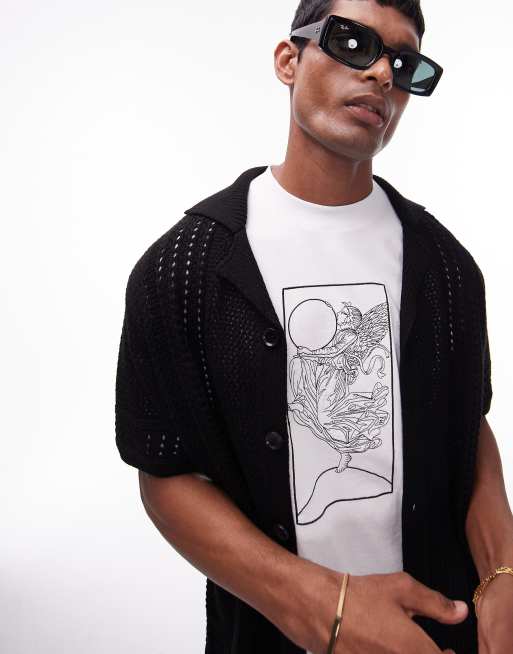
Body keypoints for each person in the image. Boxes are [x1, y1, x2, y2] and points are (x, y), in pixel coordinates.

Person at [115, 1, 513, 653]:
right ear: (288, 60)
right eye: (352, 42)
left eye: (403, 63)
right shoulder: (183, 267)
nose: (380, 73)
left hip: (442, 631)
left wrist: (501, 576)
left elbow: (467, 427)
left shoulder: (447, 266)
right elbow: (165, 469)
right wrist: (319, 607)